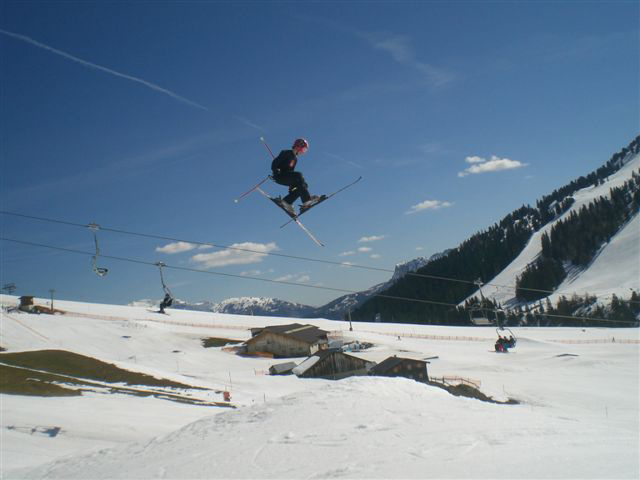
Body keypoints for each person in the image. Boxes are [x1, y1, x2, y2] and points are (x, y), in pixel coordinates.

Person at [271, 138, 322, 215]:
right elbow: (275, 163)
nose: (303, 151)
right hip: (279, 176)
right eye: (303, 148)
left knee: (302, 186)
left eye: (305, 150)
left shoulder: (295, 159)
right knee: (299, 175)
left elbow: (291, 173)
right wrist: (275, 170)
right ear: (298, 146)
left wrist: (292, 187)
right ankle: (306, 200)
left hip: (286, 176)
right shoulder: (286, 153)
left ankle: (287, 202)